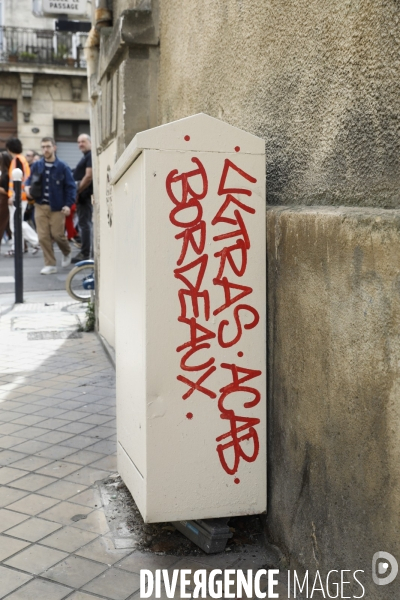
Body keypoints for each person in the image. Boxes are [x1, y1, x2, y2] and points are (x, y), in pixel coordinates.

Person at [25, 137, 76, 275]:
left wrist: (67, 205)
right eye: (43, 147)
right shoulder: (37, 165)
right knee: (42, 236)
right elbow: (29, 180)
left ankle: (67, 251)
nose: (45, 150)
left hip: (57, 207)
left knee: (58, 235)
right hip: (40, 205)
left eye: (48, 146)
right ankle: (50, 264)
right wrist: (27, 188)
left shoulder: (63, 166)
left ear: (54, 147)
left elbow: (71, 188)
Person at [5, 138, 40, 257]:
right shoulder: (21, 159)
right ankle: (17, 247)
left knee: (16, 222)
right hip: (21, 196)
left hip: (18, 197)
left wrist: (13, 196)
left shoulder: (17, 160)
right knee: (16, 222)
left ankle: (34, 242)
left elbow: (17, 180)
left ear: (9, 149)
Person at [72, 133, 93, 262]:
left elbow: (88, 176)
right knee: (83, 223)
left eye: (83, 141)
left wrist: (77, 191)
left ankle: (85, 253)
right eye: (79, 142)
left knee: (84, 224)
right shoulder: (87, 156)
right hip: (83, 196)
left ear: (90, 142)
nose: (80, 144)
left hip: (84, 196)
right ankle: (85, 252)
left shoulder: (90, 155)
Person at [0, 152, 11, 248]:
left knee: (3, 223)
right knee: (8, 224)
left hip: (4, 201)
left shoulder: (7, 173)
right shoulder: (3, 172)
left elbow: (8, 190)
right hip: (2, 200)